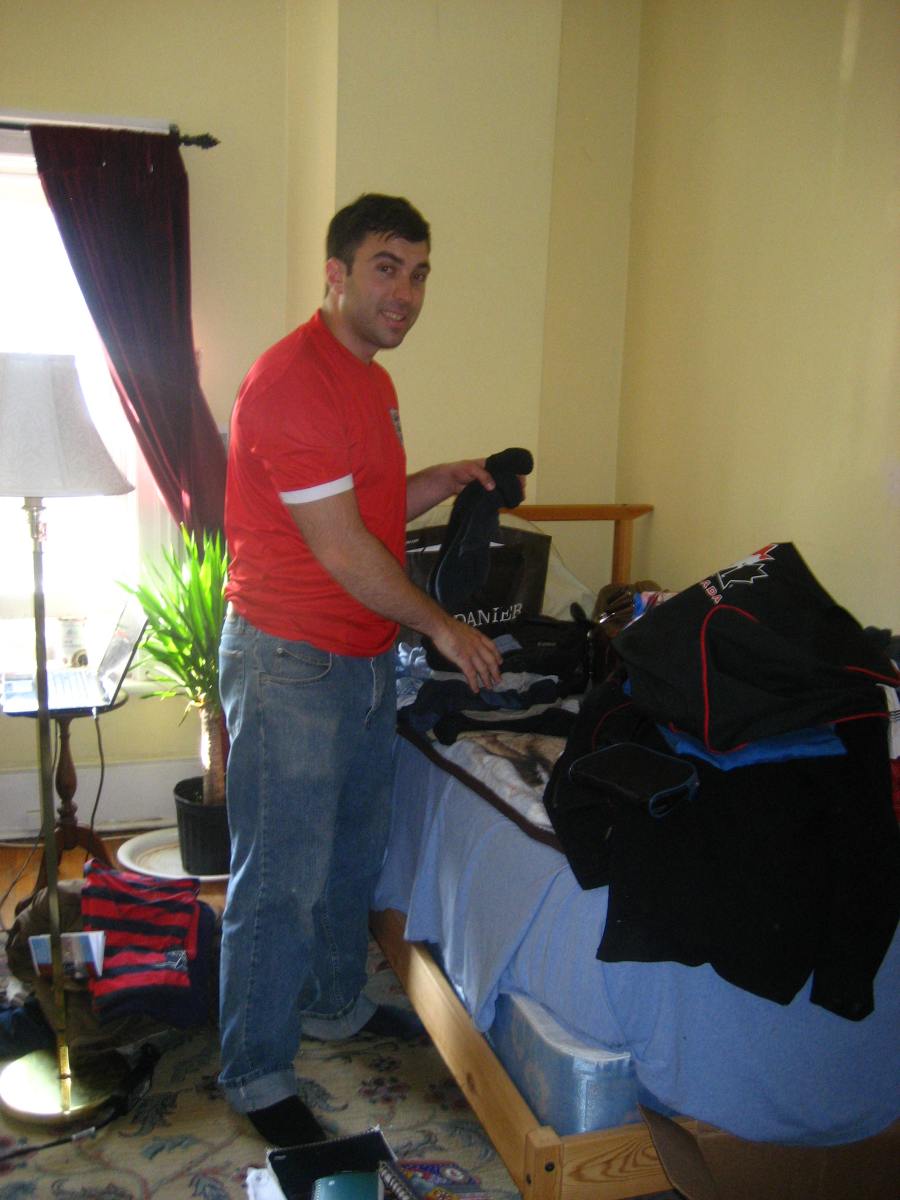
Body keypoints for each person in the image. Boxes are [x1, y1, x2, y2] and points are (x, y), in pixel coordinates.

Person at [217, 193, 505, 1146]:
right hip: (291, 662)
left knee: (349, 858)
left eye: (418, 274)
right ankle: (256, 1070)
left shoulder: (369, 380)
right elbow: (342, 549)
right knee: (280, 878)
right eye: (387, 268)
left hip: (363, 657)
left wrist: (441, 481)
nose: (406, 293)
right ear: (336, 274)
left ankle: (334, 1005)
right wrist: (444, 628)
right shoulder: (292, 382)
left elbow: (367, 509)